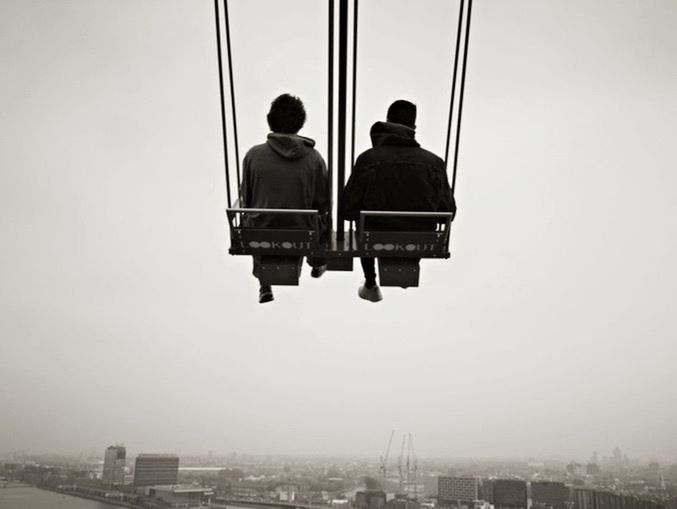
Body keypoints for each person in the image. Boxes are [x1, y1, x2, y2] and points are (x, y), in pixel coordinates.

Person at [341, 100, 456, 302]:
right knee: (413, 229)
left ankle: (370, 281)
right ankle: (407, 262)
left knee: (364, 224)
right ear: (413, 128)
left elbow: (347, 209)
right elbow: (449, 210)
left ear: (387, 122)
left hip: (374, 236)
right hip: (420, 239)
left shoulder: (367, 159)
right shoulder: (434, 163)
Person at [241, 94, 329, 303]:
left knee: (253, 218)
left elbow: (247, 196)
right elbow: (322, 201)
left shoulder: (253, 155)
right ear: (300, 123)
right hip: (301, 229)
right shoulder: (314, 158)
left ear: (270, 121)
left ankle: (264, 284)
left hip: (262, 228)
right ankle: (317, 261)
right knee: (320, 218)